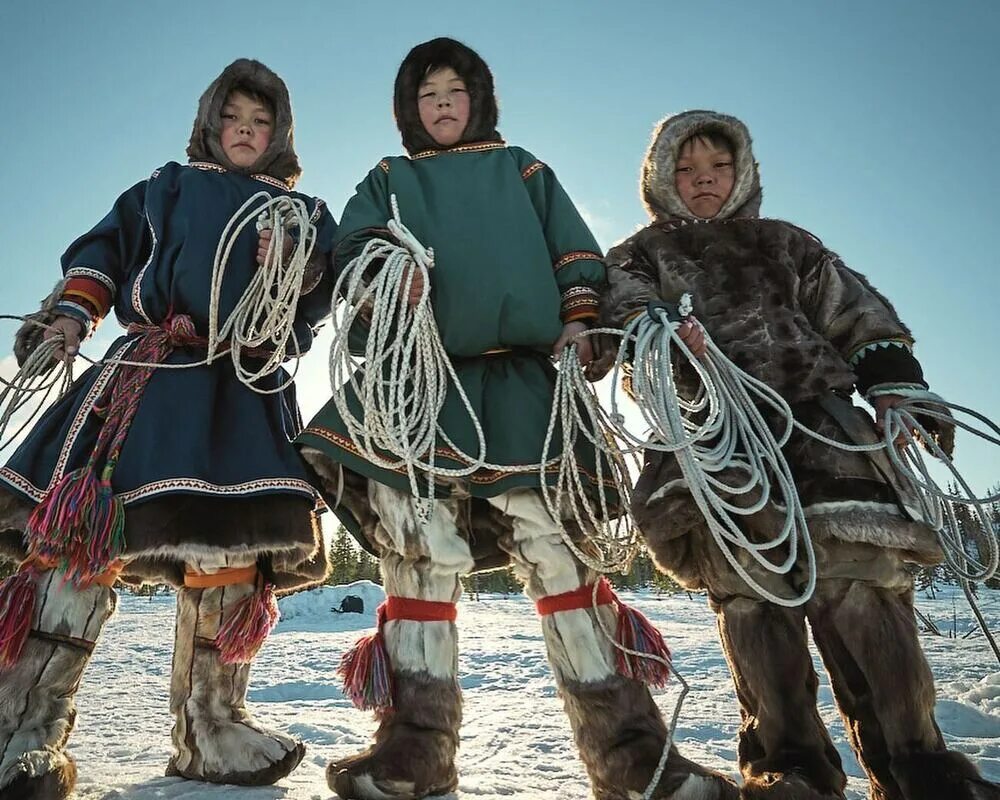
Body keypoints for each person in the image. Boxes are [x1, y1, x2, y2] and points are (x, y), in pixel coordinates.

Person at [297, 38, 738, 800]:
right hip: (418, 384)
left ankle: (631, 753)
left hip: (524, 383)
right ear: (409, 109)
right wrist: (383, 272)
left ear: (479, 101)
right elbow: (355, 249)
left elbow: (574, 253)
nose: (441, 103)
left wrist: (581, 319)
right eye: (427, 93)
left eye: (454, 91)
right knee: (417, 551)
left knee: (562, 552)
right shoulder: (388, 178)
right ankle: (415, 747)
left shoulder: (523, 169)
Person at [598, 109, 999, 800]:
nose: (702, 183)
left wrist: (896, 386)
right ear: (660, 180)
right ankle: (789, 769)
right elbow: (626, 322)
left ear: (741, 173)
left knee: (864, 589)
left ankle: (920, 767)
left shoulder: (787, 244)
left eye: (716, 170)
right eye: (686, 172)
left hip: (823, 438)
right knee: (753, 603)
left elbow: (855, 312)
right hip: (715, 448)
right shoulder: (637, 256)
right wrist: (662, 342)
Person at [0, 58, 336, 797]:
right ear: (210, 125)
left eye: (260, 123)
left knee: (236, 559)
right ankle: (22, 730)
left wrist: (299, 274)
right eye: (233, 120)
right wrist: (68, 314)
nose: (246, 133)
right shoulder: (164, 189)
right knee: (77, 545)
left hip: (243, 387)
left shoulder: (304, 213)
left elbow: (314, 303)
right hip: (149, 374)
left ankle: (212, 729)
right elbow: (104, 257)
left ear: (279, 133)